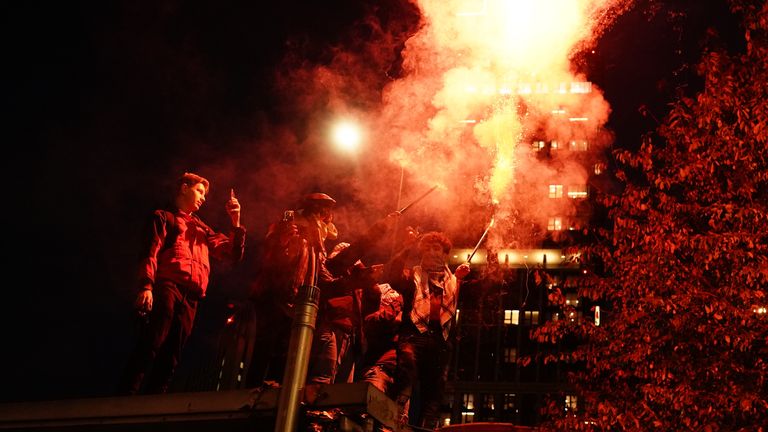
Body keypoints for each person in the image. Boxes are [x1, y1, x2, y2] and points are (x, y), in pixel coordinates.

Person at [118, 172, 246, 394]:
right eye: (200, 191)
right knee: (152, 342)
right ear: (184, 188)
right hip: (167, 286)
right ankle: (125, 397)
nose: (203, 198)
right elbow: (150, 251)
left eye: (204, 194)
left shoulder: (203, 229)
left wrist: (235, 221)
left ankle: (154, 400)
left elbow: (232, 253)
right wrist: (146, 286)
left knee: (172, 353)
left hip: (191, 296)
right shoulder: (163, 217)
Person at [388, 231, 470, 429]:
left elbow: (482, 292)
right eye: (427, 249)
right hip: (414, 334)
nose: (432, 253)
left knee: (434, 392)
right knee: (406, 372)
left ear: (445, 254)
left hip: (440, 341)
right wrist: (406, 247)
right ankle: (393, 419)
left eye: (436, 249)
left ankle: (426, 427)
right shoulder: (412, 276)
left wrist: (459, 280)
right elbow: (392, 276)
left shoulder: (454, 281)